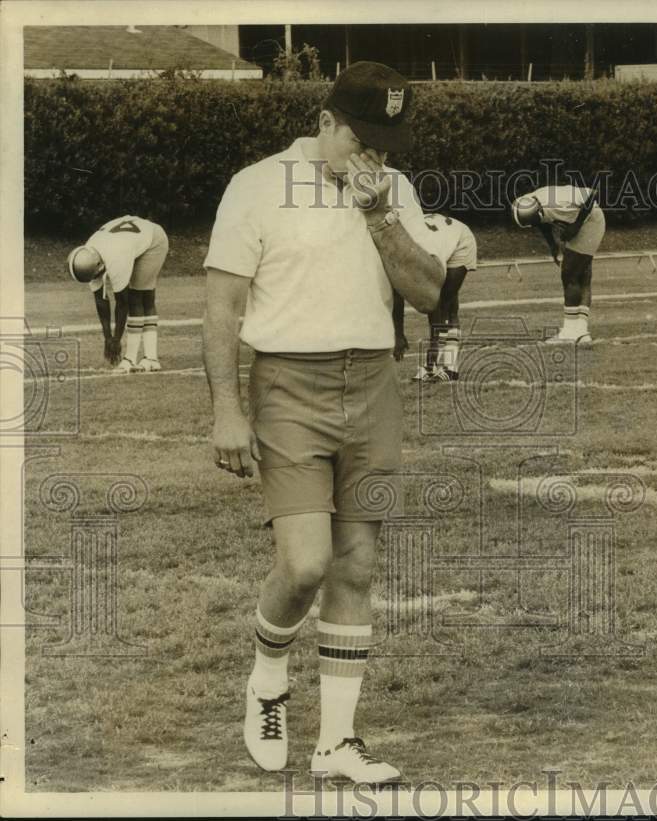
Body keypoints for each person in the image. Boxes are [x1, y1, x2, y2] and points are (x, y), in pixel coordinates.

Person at [201, 61, 445, 784]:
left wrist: (380, 217)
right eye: (361, 139)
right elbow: (222, 309)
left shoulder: (392, 190)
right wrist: (225, 407)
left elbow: (430, 291)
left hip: (371, 381)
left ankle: (337, 742)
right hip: (286, 385)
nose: (374, 157)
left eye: (386, 144)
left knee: (358, 562)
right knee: (305, 561)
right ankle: (267, 675)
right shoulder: (256, 186)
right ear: (326, 122)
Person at [67, 215, 168, 373]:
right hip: (134, 238)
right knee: (142, 298)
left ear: (99, 265)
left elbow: (122, 303)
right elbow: (101, 300)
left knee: (138, 297)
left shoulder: (116, 258)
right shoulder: (89, 255)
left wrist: (116, 340)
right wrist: (107, 337)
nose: (94, 279)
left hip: (154, 240)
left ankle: (132, 359)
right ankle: (151, 359)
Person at [511, 184, 604, 345]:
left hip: (590, 222)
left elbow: (594, 194)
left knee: (570, 275)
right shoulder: (530, 203)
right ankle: (581, 332)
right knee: (580, 276)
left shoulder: (556, 200)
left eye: (532, 221)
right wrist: (553, 246)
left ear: (538, 210)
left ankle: (569, 332)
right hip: (578, 223)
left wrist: (576, 225)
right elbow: (542, 224)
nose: (532, 225)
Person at [393, 212, 478, 382]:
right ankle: (439, 365)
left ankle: (447, 367)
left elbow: (436, 303)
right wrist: (399, 335)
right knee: (443, 305)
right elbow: (397, 295)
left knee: (444, 305)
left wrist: (430, 361)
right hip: (441, 237)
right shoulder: (394, 253)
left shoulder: (427, 253)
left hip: (460, 240)